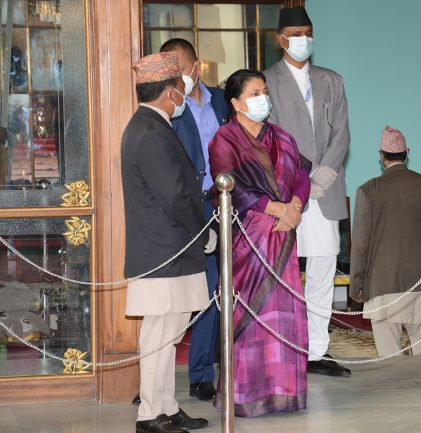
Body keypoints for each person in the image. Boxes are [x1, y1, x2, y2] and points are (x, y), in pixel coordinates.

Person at [209, 69, 311, 417]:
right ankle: (246, 394)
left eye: (264, 91)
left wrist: (294, 206)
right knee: (252, 314)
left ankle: (284, 391)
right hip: (248, 241)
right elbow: (230, 185)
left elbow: (301, 174)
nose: (262, 98)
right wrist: (277, 208)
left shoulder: (282, 136)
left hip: (283, 235)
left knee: (283, 314)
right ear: (236, 103)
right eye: (254, 93)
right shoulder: (224, 139)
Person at [121, 51, 214, 433]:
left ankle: (167, 407)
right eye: (179, 87)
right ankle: (149, 415)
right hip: (164, 252)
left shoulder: (151, 126)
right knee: (159, 337)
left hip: (171, 250)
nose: (182, 94)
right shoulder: (150, 132)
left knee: (169, 335)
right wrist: (204, 232)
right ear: (168, 91)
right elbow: (175, 196)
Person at [263, 6, 351, 377]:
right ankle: (283, 346)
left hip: (325, 191)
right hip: (285, 192)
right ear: (281, 39)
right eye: (296, 34)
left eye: (308, 32)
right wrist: (299, 177)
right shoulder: (266, 81)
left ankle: (317, 350)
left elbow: (341, 133)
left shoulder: (331, 79)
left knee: (322, 271)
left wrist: (320, 177)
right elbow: (268, 136)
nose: (303, 40)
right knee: (281, 271)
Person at [160, 38, 229, 402]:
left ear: (197, 67)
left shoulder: (222, 100)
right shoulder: (169, 106)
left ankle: (205, 374)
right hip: (186, 208)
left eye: (182, 70)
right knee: (181, 294)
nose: (178, 78)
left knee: (216, 290)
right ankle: (157, 381)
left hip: (224, 206)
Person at [349, 126, 421, 356]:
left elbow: (360, 244)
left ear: (381, 156)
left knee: (388, 358)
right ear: (407, 154)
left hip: (381, 282)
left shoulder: (368, 190)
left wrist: (357, 284)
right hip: (418, 280)